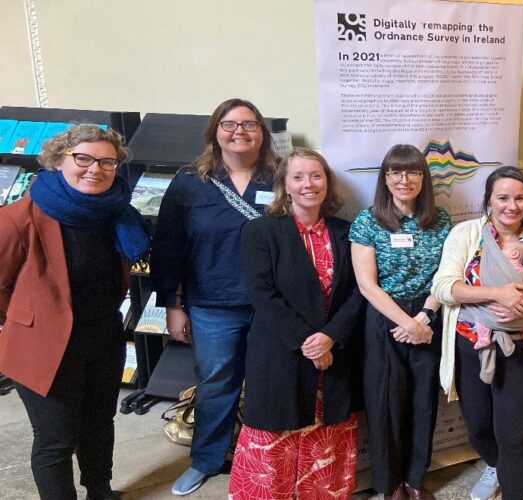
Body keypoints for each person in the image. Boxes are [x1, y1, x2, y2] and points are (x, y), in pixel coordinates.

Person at [0, 124, 150, 500]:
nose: (94, 169)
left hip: (102, 337)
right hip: (43, 345)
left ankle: (99, 490)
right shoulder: (21, 217)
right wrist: (26, 321)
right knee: (56, 438)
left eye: (106, 162)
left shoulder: (115, 213)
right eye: (82, 158)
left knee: (99, 423)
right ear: (58, 160)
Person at [150, 98, 279, 496]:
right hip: (212, 304)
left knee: (268, 383)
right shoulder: (190, 182)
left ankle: (262, 462)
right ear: (214, 132)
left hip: (272, 303)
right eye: (229, 123)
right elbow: (168, 246)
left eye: (249, 123)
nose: (239, 130)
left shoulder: (282, 178)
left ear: (262, 132)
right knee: (216, 385)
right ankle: (205, 460)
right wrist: (173, 306)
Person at [229, 148, 365, 499]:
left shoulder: (346, 231)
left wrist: (330, 338)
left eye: (316, 176)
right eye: (298, 177)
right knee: (275, 433)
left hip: (334, 354)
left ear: (327, 183)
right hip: (280, 353)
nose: (309, 184)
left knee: (327, 431)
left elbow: (357, 293)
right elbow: (263, 295)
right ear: (285, 186)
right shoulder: (259, 231)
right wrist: (309, 342)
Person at [432, 166, 523, 500]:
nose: (512, 205)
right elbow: (444, 287)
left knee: (512, 436)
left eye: (520, 197)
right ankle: (493, 465)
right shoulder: (466, 235)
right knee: (479, 428)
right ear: (489, 200)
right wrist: (498, 295)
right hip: (471, 347)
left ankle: (511, 484)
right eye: (503, 197)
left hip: (522, 349)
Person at [349, 144, 452, 500]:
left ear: (423, 178)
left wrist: (424, 316)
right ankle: (390, 484)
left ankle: (414, 479)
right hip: (384, 320)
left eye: (412, 172)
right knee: (385, 403)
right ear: (385, 178)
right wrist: (407, 323)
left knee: (423, 402)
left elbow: (445, 275)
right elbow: (366, 284)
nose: (403, 180)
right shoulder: (368, 221)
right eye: (395, 172)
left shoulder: (440, 221)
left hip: (428, 317)